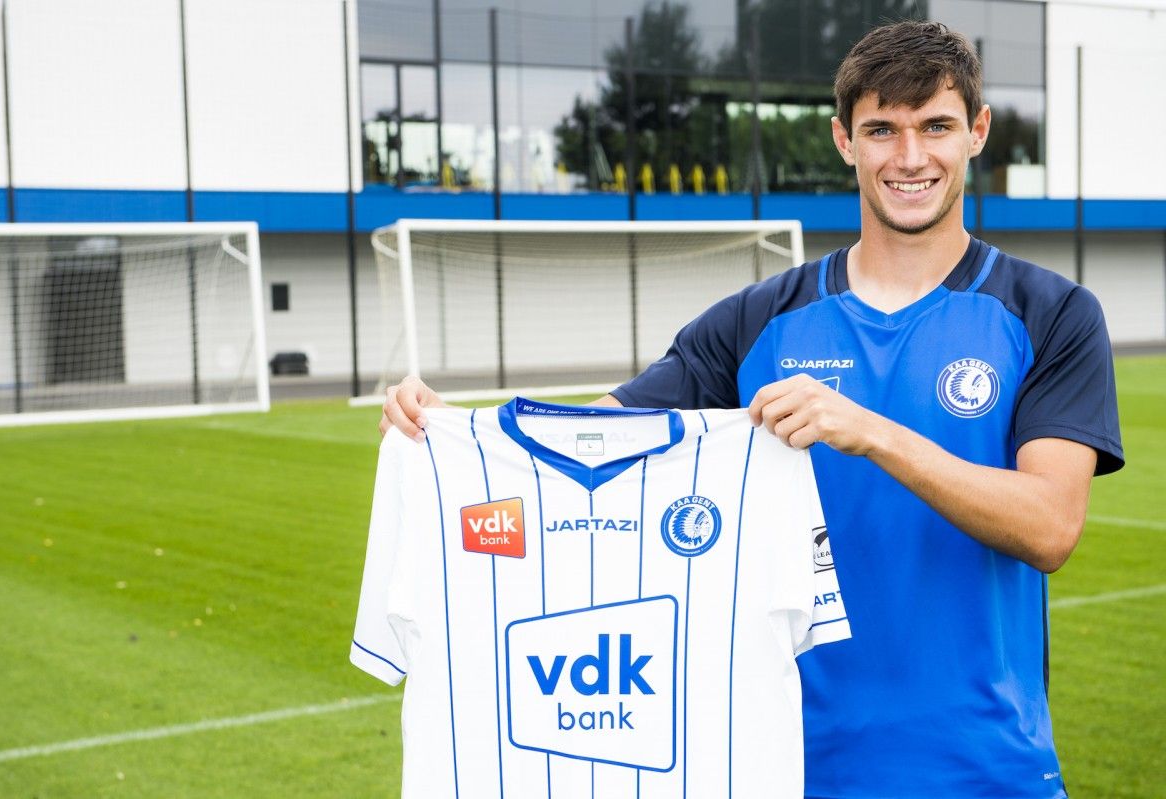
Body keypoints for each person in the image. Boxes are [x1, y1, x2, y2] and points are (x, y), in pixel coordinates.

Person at [380, 19, 1123, 799]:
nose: (910, 157)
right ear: (844, 141)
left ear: (977, 131)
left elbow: (1050, 526)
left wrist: (870, 431)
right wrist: (449, 431)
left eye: (935, 126)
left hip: (989, 770)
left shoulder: (1051, 313)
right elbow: (587, 438)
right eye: (882, 130)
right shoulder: (757, 321)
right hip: (791, 768)